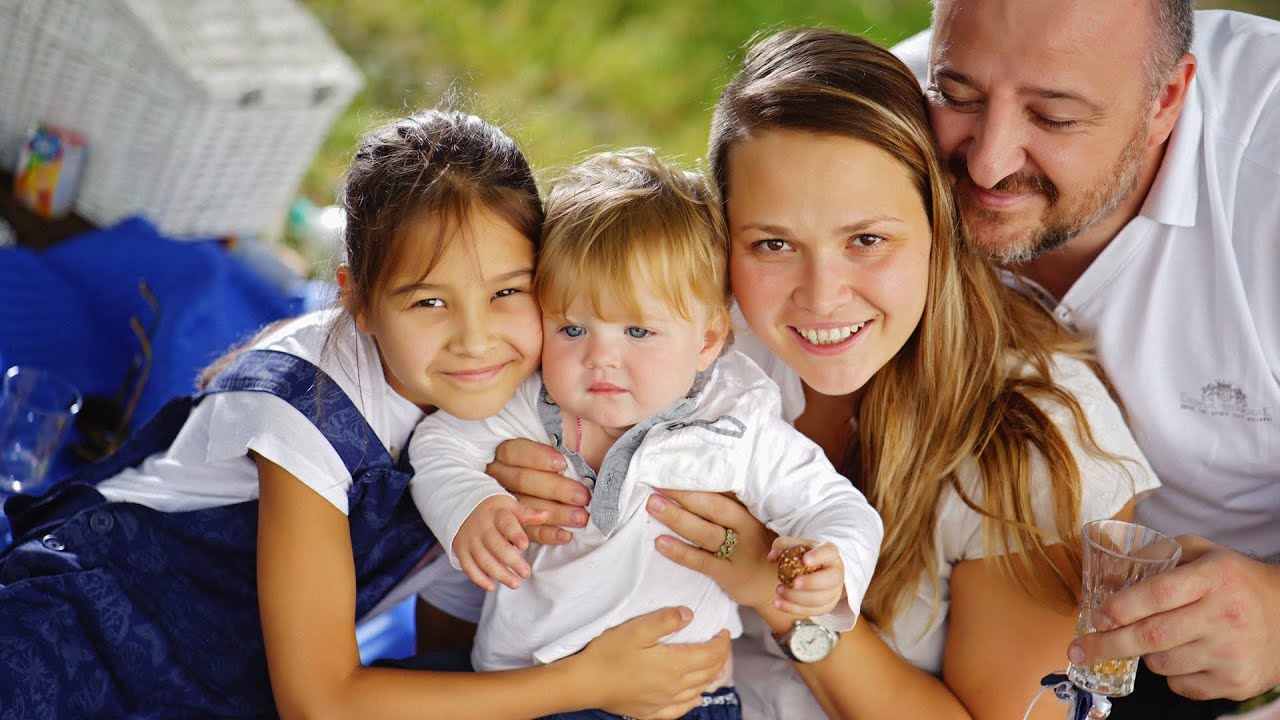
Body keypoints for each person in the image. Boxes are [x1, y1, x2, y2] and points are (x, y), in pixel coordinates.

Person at [487, 28, 1162, 720]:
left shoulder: (1038, 436)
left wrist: (773, 589)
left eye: (866, 240)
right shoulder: (690, 350)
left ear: (940, 228)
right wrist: (508, 478)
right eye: (773, 243)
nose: (822, 295)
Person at [0, 108, 729, 720]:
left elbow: (454, 633)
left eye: (508, 291)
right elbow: (322, 702)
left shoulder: (528, 402)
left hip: (228, 687)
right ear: (357, 299)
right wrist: (587, 681)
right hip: (78, 629)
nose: (476, 338)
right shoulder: (307, 403)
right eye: (428, 301)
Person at [889, 0, 1280, 706]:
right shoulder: (887, 111)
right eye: (959, 95)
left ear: (1167, 100)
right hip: (970, 612)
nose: (988, 162)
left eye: (1055, 117)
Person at [408, 148, 883, 719]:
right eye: (573, 327)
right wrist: (470, 501)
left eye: (638, 330)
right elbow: (438, 445)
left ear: (708, 341)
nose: (600, 358)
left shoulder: (734, 425)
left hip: (679, 700)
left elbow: (836, 506)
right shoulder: (534, 405)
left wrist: (831, 565)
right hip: (529, 685)